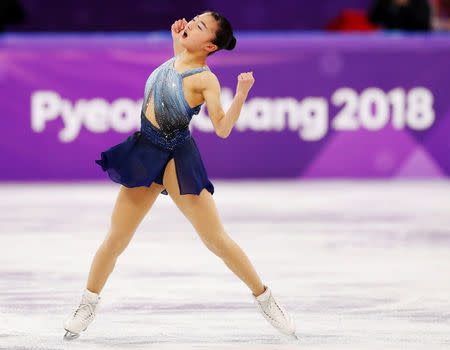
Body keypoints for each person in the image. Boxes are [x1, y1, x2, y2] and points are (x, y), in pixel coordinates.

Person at [63, 10, 298, 341]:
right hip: (145, 150)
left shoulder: (206, 79)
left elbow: (222, 128)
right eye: (194, 19)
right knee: (116, 238)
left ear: (212, 46)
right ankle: (87, 303)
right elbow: (177, 70)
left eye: (200, 27)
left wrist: (242, 93)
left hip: (176, 157)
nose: (190, 25)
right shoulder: (179, 55)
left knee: (215, 238)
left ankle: (265, 298)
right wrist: (180, 39)